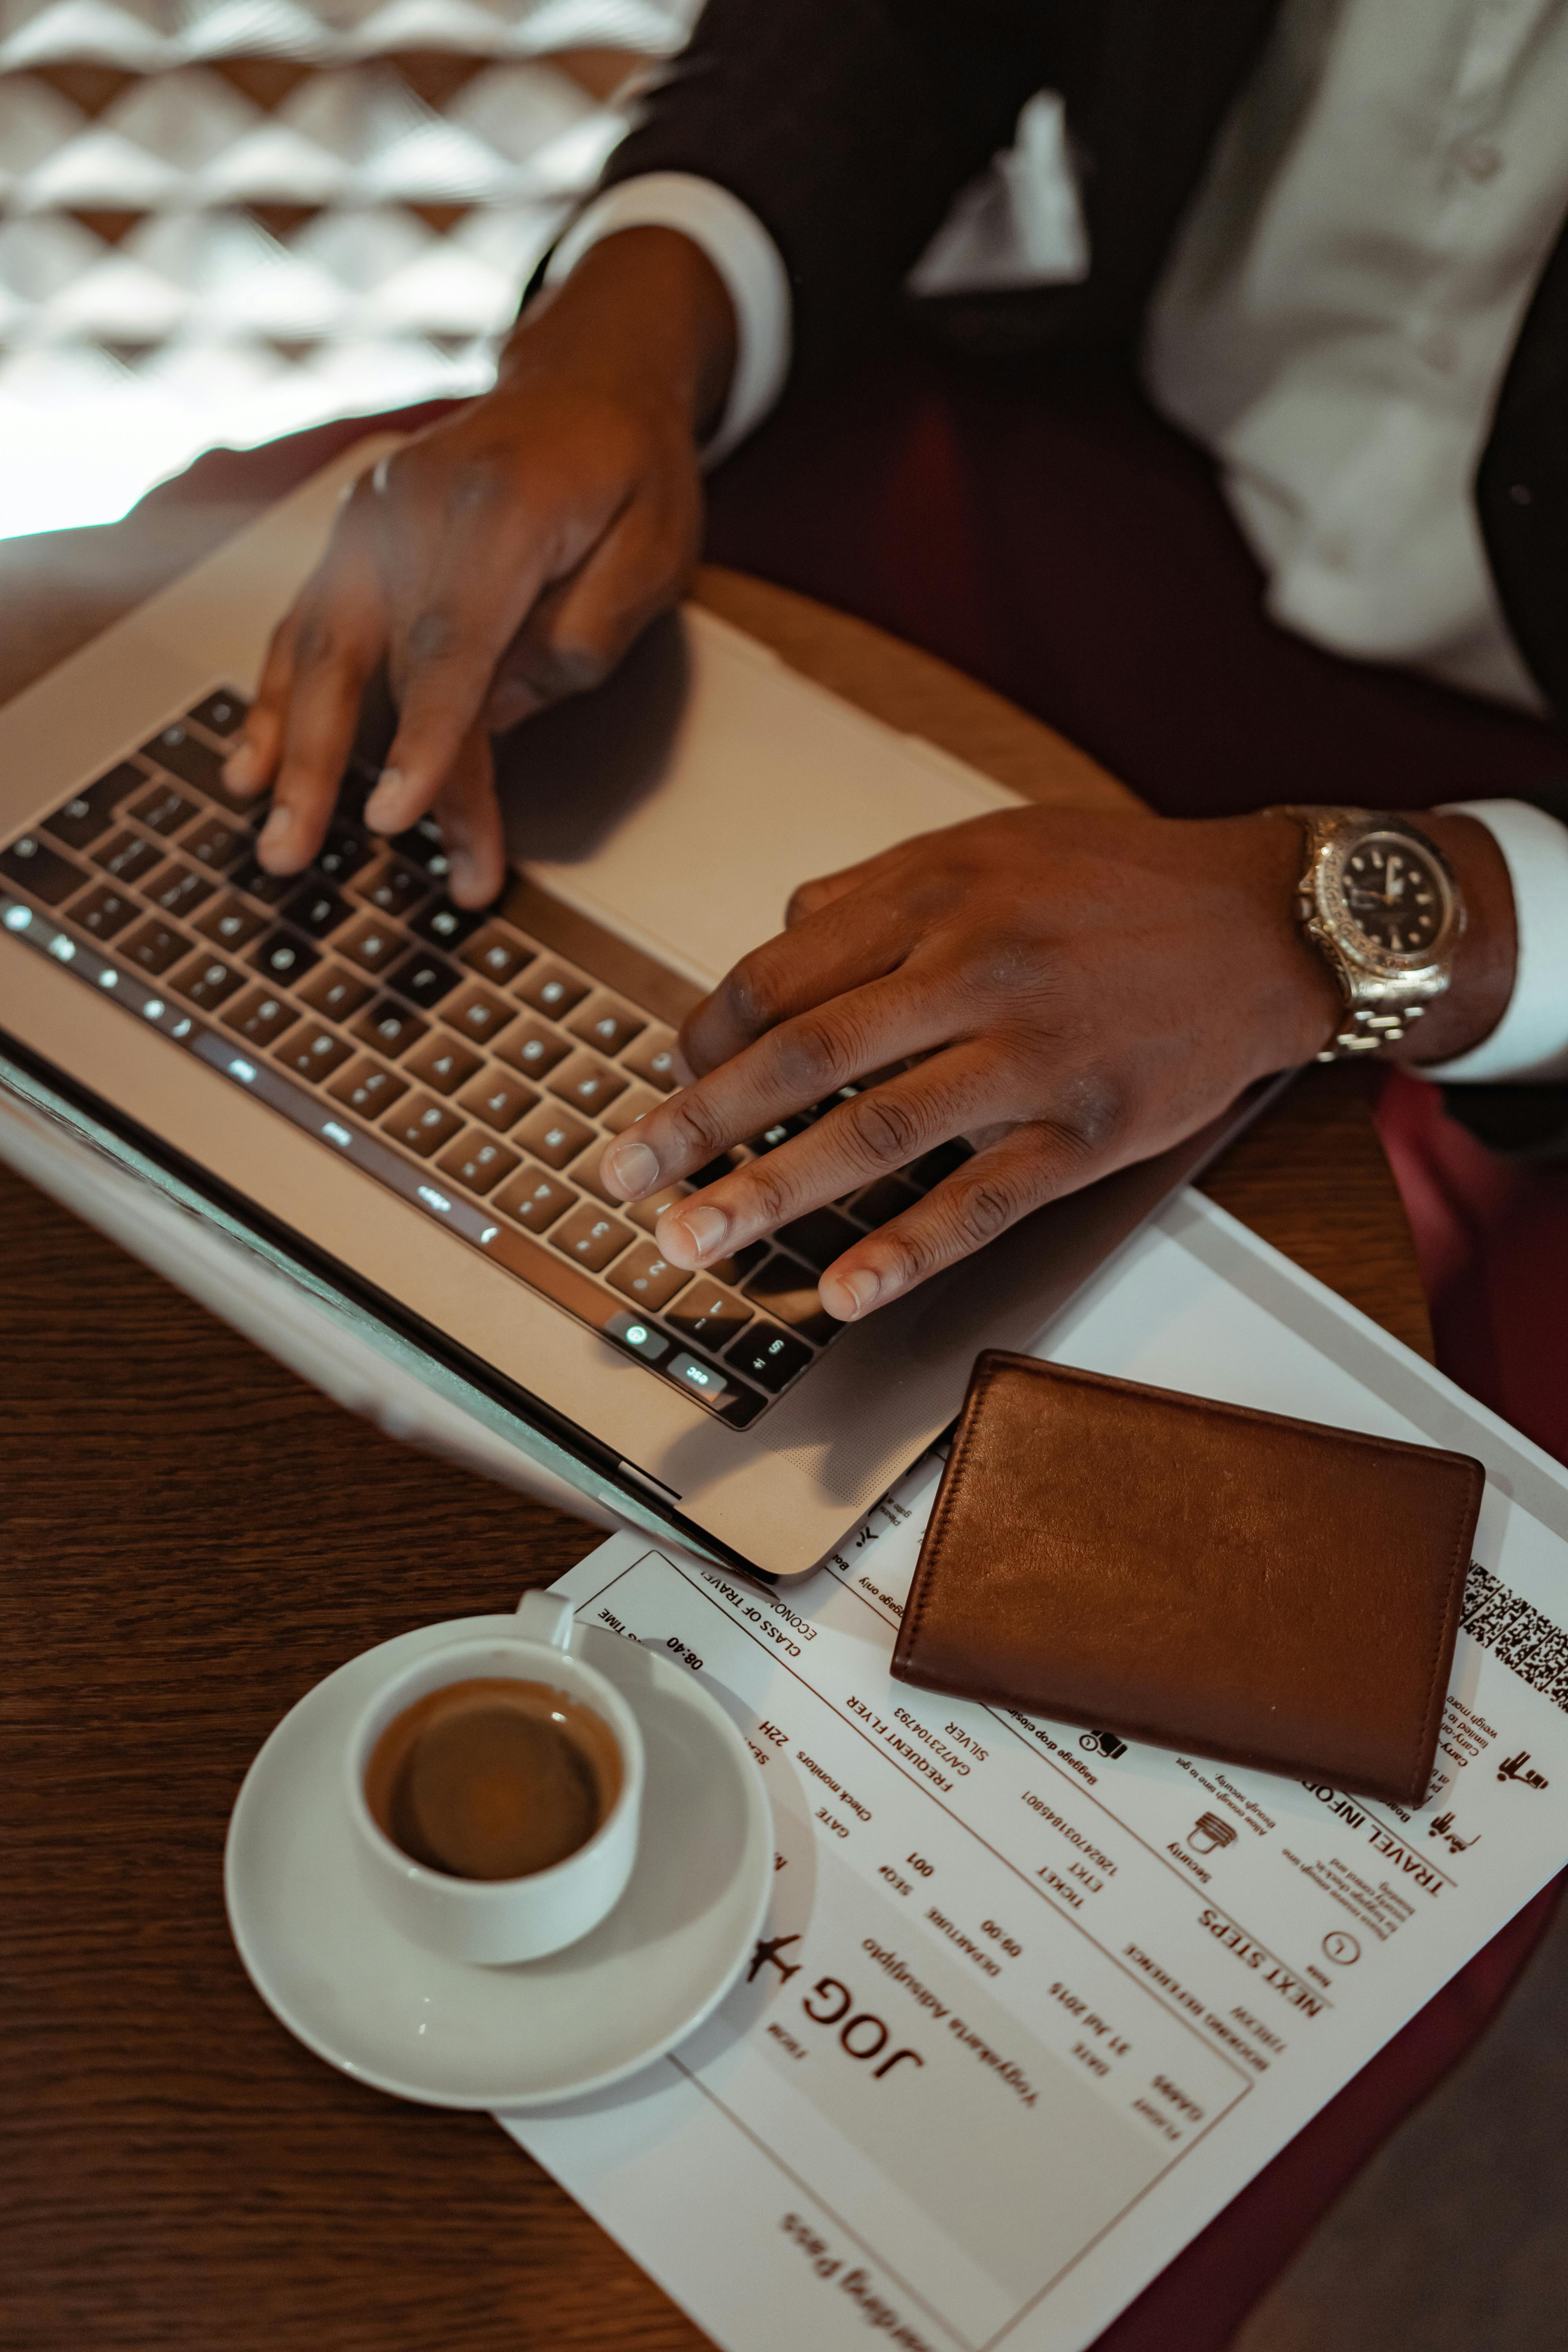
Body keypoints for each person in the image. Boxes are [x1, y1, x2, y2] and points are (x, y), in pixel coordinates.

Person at [220, 0, 1568, 1334]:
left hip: (1521, 784)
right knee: (236, 558)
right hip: (1104, 461)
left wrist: (1332, 926)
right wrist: (614, 349)